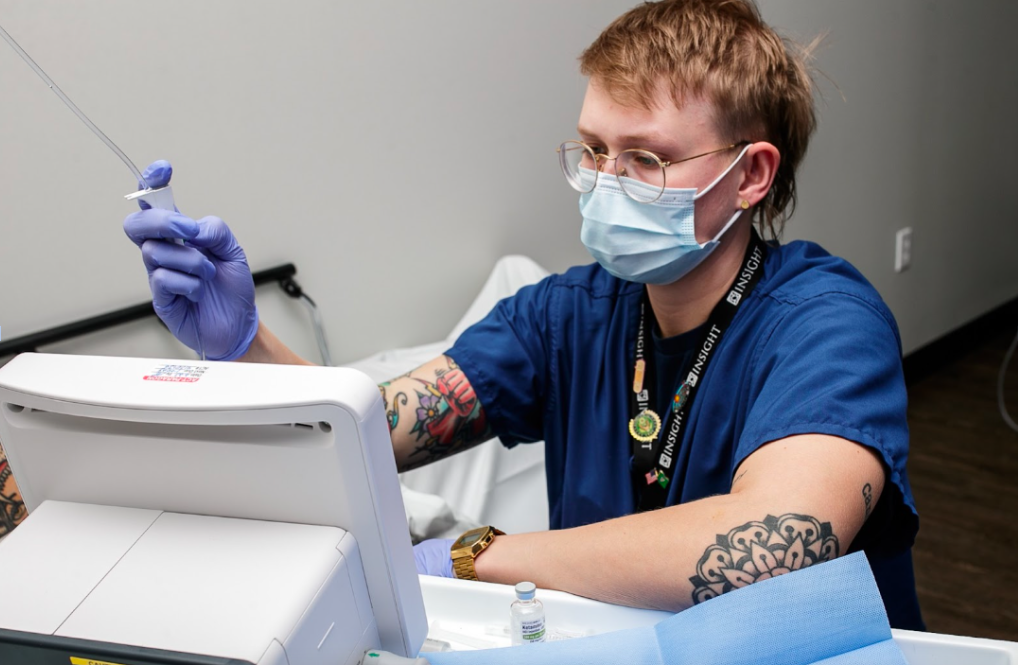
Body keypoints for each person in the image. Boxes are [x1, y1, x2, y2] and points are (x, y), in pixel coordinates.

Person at [123, 0, 923, 629]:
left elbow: (774, 543)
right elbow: (368, 427)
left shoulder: (826, 324)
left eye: (644, 157)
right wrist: (244, 344)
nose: (607, 181)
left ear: (751, 174)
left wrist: (483, 556)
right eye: (593, 150)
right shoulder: (565, 316)